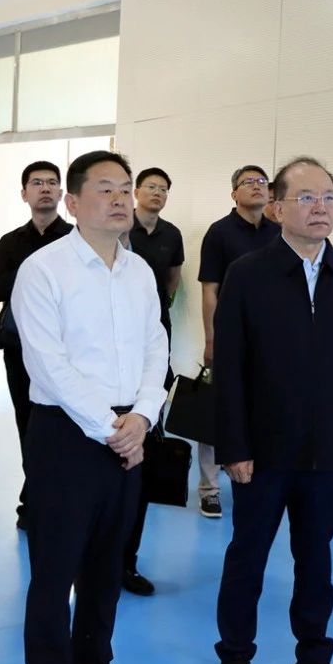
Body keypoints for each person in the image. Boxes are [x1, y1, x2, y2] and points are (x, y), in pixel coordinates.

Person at [13, 150, 167, 664]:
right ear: (73, 203)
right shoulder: (44, 269)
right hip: (67, 435)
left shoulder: (139, 271)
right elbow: (47, 364)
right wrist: (112, 427)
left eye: (125, 187)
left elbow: (156, 345)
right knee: (55, 572)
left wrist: (143, 417)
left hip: (129, 434)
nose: (121, 198)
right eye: (106, 189)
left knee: (107, 567)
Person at [211, 157, 333, 664]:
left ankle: (314, 658)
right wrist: (234, 446)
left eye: (328, 197)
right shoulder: (248, 273)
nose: (321, 208)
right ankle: (236, 657)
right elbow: (230, 368)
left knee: (317, 561)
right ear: (278, 208)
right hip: (261, 452)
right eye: (306, 198)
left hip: (327, 451)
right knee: (248, 559)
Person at [0, 162, 73, 529]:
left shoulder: (75, 238)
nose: (45, 188)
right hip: (19, 347)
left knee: (62, 424)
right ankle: (34, 496)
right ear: (24, 194)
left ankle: (59, 496)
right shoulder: (11, 241)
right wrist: (33, 269)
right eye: (37, 183)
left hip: (66, 349)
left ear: (62, 193)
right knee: (27, 421)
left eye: (52, 183)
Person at [196, 164, 280, 518]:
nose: (257, 186)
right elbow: (210, 290)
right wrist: (211, 339)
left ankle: (256, 478)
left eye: (262, 182)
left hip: (271, 340)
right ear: (234, 193)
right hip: (230, 336)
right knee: (216, 410)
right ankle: (209, 488)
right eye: (248, 182)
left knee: (265, 408)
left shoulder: (279, 232)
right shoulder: (219, 233)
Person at [123, 166, 185, 596]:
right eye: (151, 187)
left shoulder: (171, 234)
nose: (157, 194)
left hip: (153, 338)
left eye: (164, 189)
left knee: (140, 463)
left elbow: (173, 279)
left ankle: (126, 561)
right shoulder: (119, 229)